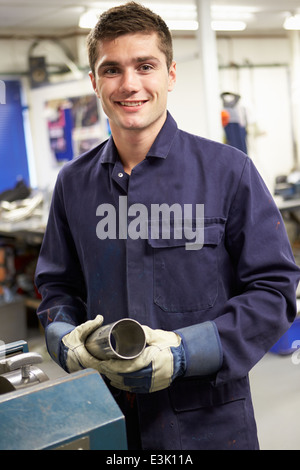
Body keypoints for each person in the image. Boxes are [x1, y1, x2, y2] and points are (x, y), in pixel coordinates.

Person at [35, 2, 300, 450]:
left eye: (145, 66)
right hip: (107, 420)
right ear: (94, 82)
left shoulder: (228, 173)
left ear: (171, 75)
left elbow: (274, 292)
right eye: (112, 69)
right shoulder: (73, 185)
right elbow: (57, 287)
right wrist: (63, 338)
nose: (130, 84)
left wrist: (184, 352)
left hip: (211, 425)